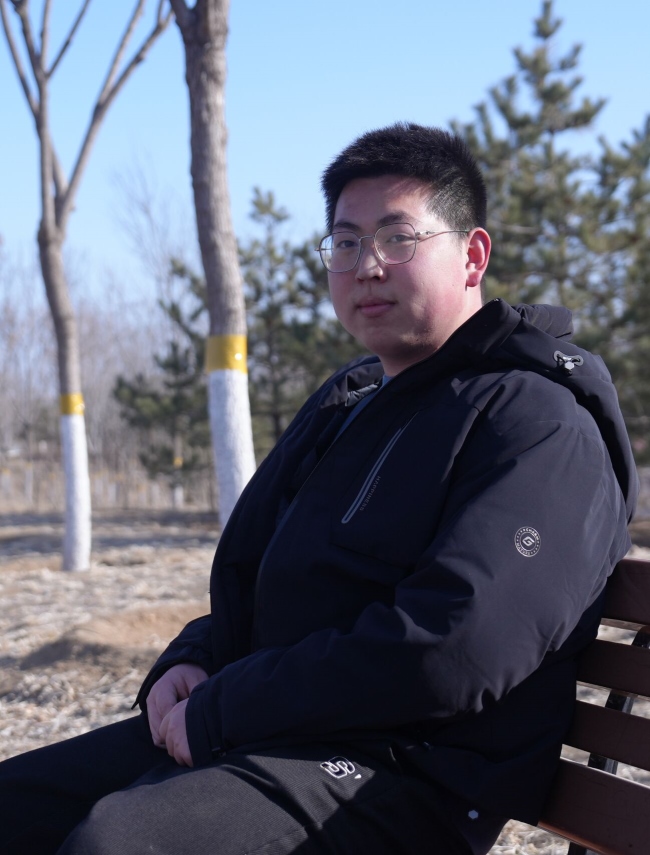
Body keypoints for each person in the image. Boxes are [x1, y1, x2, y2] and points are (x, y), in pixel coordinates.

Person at [0, 123, 638, 855]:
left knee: (117, 845)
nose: (367, 266)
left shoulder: (537, 422)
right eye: (346, 242)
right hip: (281, 731)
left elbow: (452, 652)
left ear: (472, 255)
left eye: (398, 238)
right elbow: (270, 585)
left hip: (408, 774)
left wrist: (227, 707)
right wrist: (194, 658)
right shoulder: (354, 401)